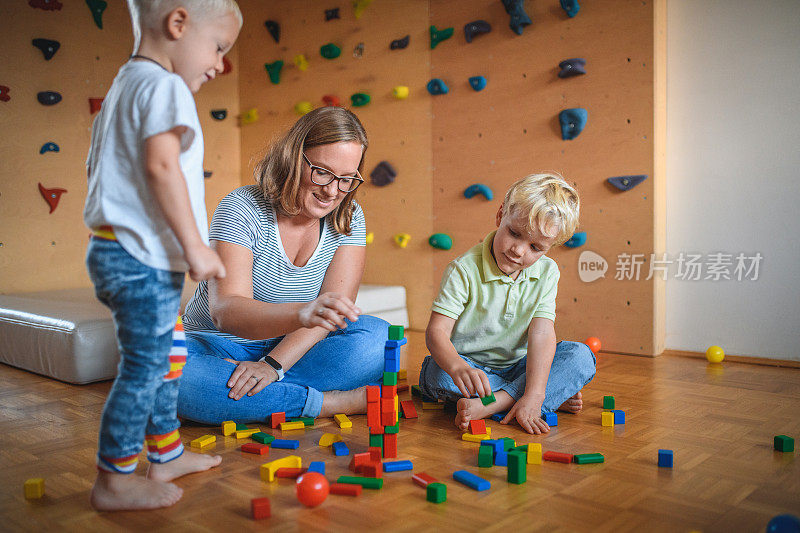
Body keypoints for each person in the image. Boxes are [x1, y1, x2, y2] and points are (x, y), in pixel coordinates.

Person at [82, 0, 241, 511]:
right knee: (145, 367)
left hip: (124, 254)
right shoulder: (164, 85)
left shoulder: (126, 84)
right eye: (218, 47)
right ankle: (115, 478)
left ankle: (166, 452)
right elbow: (162, 167)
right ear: (177, 25)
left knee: (169, 357)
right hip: (139, 261)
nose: (220, 64)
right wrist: (197, 247)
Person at [177, 106, 388, 426]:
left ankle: (258, 397)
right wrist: (299, 314)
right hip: (218, 346)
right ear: (294, 157)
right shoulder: (241, 206)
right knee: (176, 376)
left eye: (346, 179)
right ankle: (327, 403)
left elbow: (333, 315)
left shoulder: (349, 215)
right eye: (322, 172)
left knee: (379, 338)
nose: (332, 191)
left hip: (292, 349)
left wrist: (273, 365)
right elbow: (226, 311)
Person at [419, 173, 596, 435]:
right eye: (514, 233)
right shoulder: (463, 270)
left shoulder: (548, 272)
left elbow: (542, 333)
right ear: (501, 215)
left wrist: (535, 392)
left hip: (518, 367)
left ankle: (502, 403)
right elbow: (436, 333)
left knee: (580, 357)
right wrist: (458, 366)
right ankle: (539, 397)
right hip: (470, 368)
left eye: (536, 247)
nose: (519, 250)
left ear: (550, 247)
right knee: (437, 374)